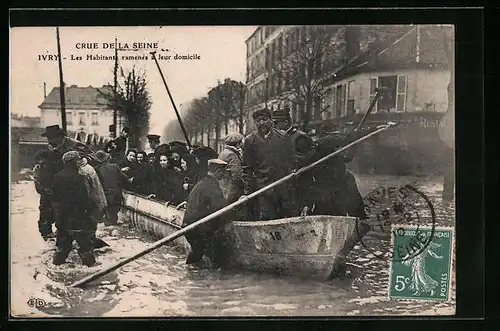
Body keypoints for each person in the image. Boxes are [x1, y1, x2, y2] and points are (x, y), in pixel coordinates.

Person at [241, 108, 294, 220]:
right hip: (263, 190)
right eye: (258, 121)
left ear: (271, 120)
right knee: (267, 219)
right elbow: (247, 169)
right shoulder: (250, 141)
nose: (262, 123)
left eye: (265, 119)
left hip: (283, 188)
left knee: (285, 218)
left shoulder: (283, 137)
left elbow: (291, 160)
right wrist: (247, 192)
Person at [182, 159, 231, 268]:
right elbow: (222, 208)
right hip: (201, 229)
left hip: (188, 226)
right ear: (218, 171)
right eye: (223, 172)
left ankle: (191, 275)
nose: (224, 174)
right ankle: (214, 280)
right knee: (216, 259)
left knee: (197, 252)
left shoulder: (201, 183)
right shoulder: (212, 186)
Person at [51, 151, 97, 266]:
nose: (79, 161)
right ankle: (92, 272)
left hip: (62, 218)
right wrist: (91, 210)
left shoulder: (56, 177)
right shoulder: (79, 178)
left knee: (62, 247)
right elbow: (84, 199)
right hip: (78, 218)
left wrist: (57, 216)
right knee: (86, 248)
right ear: (73, 162)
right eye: (78, 160)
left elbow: (54, 199)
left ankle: (55, 268)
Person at [94, 150, 131, 225]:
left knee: (108, 219)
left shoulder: (96, 169)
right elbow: (125, 178)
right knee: (113, 216)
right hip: (117, 195)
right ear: (106, 158)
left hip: (106, 196)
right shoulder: (114, 166)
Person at [33, 150, 56, 240]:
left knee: (57, 211)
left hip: (55, 192)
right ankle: (46, 232)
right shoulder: (37, 169)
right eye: (39, 160)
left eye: (43, 159)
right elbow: (37, 181)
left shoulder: (53, 167)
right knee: (45, 211)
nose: (41, 161)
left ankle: (59, 230)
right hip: (45, 194)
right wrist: (44, 189)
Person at [218, 132, 244, 203]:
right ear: (238, 143)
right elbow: (237, 175)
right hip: (232, 188)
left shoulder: (224, 152)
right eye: (241, 142)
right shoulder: (232, 155)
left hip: (224, 186)